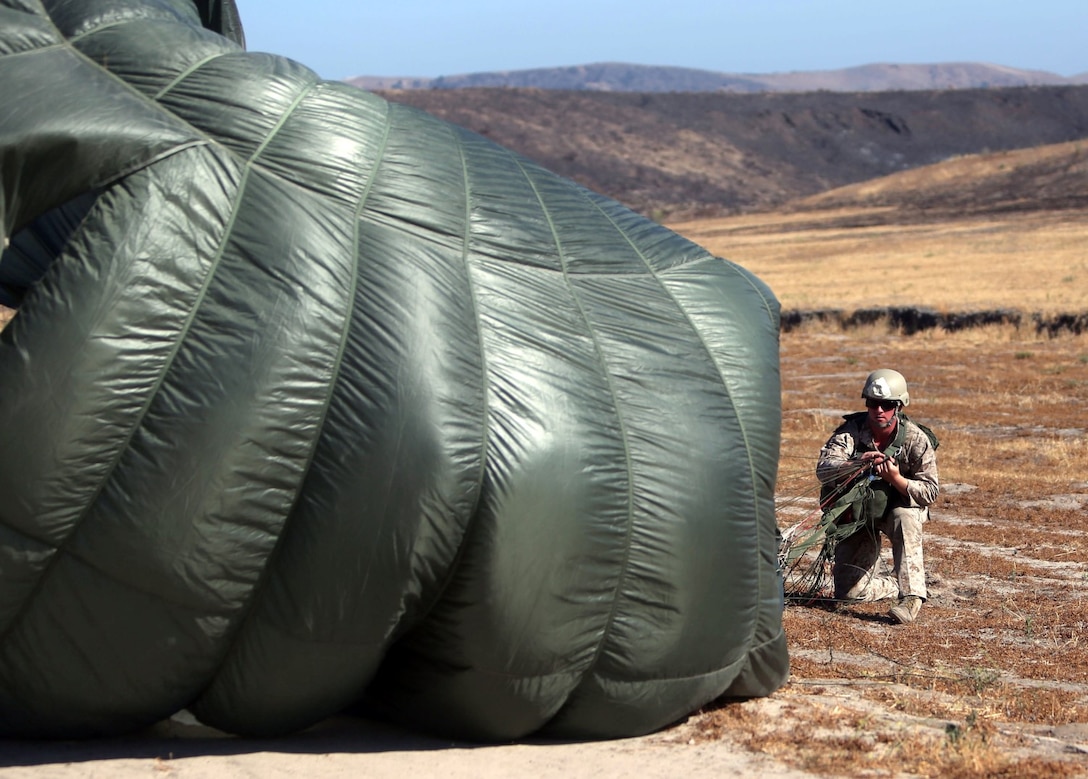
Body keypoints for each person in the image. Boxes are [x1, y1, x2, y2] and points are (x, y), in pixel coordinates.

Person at [816, 369, 939, 624]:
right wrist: (854, 462)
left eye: (887, 404)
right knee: (848, 594)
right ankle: (893, 585)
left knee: (905, 517)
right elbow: (823, 469)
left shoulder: (916, 439)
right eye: (873, 403)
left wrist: (896, 479)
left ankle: (911, 597)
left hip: (898, 507)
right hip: (861, 512)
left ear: (899, 406)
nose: (879, 410)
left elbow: (930, 492)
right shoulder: (850, 432)